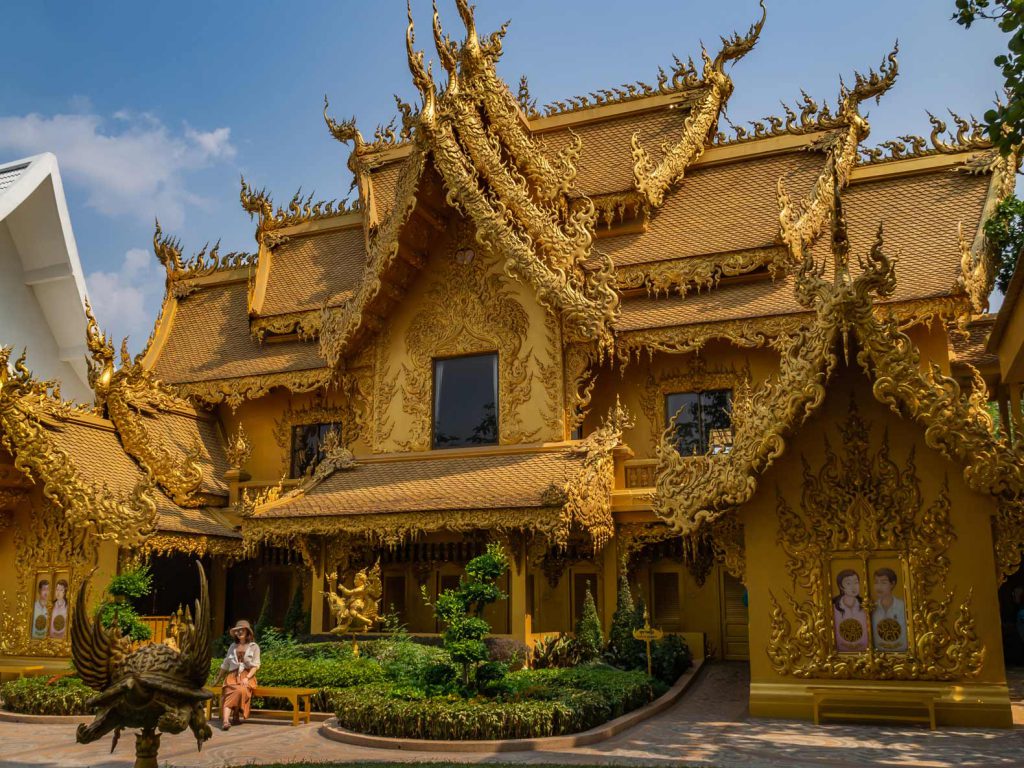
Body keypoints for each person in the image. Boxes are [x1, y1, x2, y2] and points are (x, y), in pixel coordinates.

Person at [212, 620, 261, 730]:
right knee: (230, 691)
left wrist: (247, 678)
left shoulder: (254, 646)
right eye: (237, 631)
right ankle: (225, 721)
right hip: (232, 676)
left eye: (241, 630)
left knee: (241, 690)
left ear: (247, 632)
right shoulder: (232, 646)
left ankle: (235, 715)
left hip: (247, 676)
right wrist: (217, 680)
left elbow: (256, 665)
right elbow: (225, 665)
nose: (239, 632)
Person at [871, 567, 907, 652]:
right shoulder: (872, 608)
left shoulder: (903, 607)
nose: (879, 587)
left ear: (892, 584)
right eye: (876, 582)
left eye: (883, 583)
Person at [832, 569, 868, 652]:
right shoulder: (834, 608)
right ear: (841, 586)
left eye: (856, 582)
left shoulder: (866, 605)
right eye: (848, 583)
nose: (853, 587)